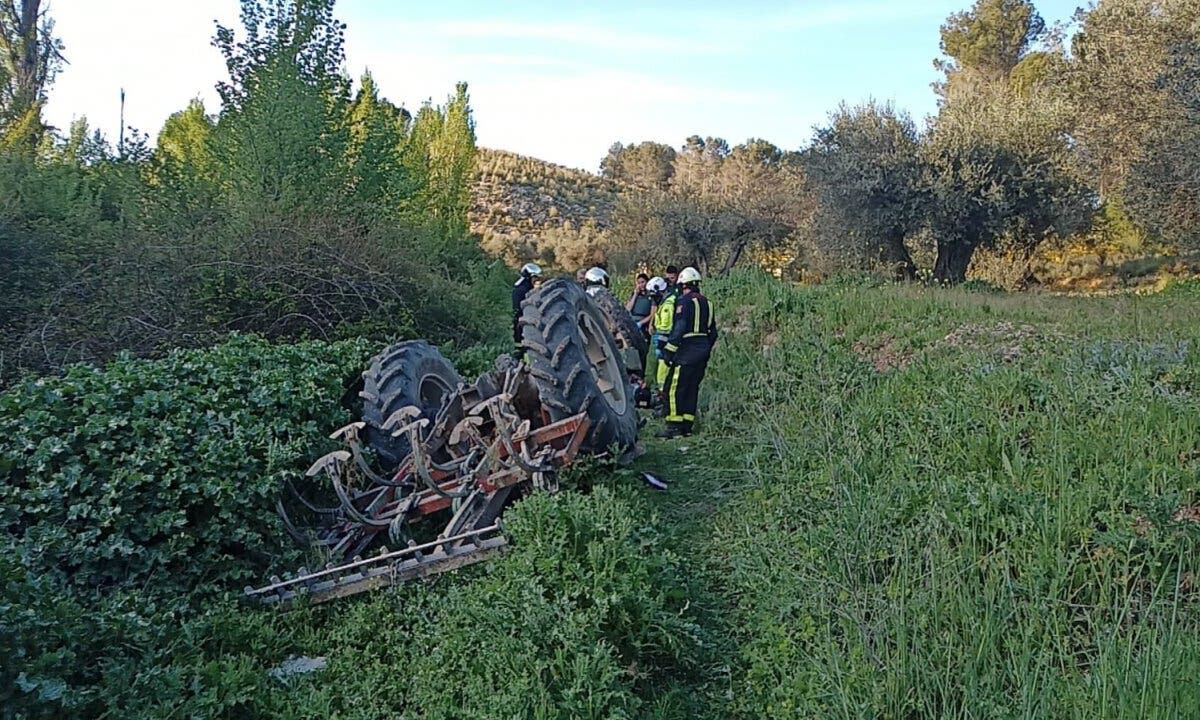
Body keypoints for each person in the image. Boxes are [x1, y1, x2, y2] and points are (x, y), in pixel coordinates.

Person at [658, 267, 718, 439]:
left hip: (687, 351)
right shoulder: (709, 303)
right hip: (702, 350)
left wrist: (669, 351)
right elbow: (713, 333)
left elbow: (680, 328)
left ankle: (674, 426)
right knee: (692, 388)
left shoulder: (683, 302)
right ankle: (687, 426)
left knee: (674, 388)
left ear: (683, 285)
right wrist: (705, 348)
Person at [512, 263, 542, 357]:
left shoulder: (524, 287)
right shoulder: (522, 289)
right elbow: (519, 307)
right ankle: (521, 356)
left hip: (523, 319)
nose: (536, 280)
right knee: (521, 341)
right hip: (522, 320)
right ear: (529, 277)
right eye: (535, 277)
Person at [626, 273, 654, 341]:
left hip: (644, 323)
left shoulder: (651, 295)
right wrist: (635, 294)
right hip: (632, 321)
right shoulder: (635, 295)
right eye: (639, 283)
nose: (641, 285)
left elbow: (653, 313)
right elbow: (628, 309)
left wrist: (641, 323)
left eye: (643, 282)